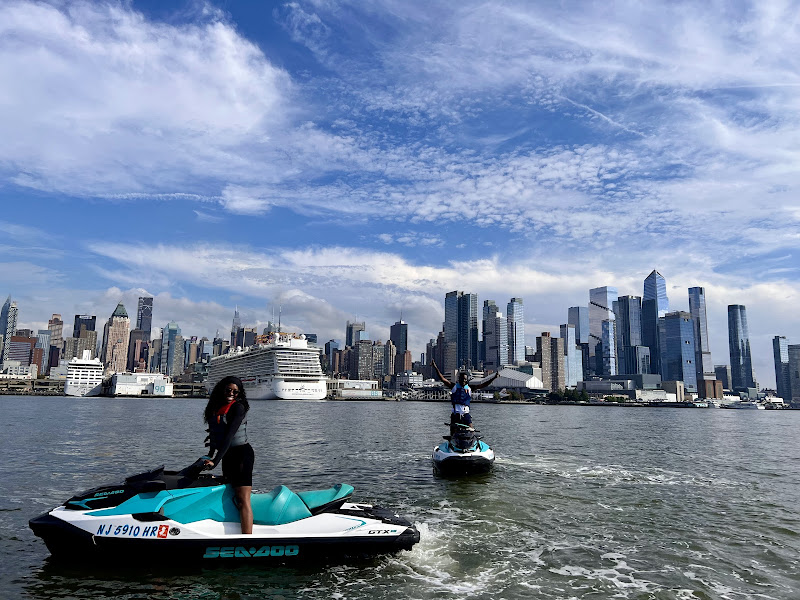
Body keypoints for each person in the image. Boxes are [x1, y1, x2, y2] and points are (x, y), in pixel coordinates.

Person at [203, 376, 254, 534]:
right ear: (221, 389)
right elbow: (215, 434)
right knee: (230, 492)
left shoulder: (238, 407)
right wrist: (210, 456)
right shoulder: (216, 407)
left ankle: (247, 540)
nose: (231, 393)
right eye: (228, 390)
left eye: (235, 391)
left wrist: (215, 461)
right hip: (227, 454)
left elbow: (229, 436)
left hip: (242, 455)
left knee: (243, 498)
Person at [431, 360, 499, 431]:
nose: (463, 381)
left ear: (467, 380)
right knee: (453, 432)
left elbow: (483, 385)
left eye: (465, 379)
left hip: (466, 414)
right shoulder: (454, 386)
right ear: (459, 379)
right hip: (455, 415)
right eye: (462, 379)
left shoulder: (470, 388)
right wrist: (435, 367)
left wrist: (494, 377)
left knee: (471, 430)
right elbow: (442, 379)